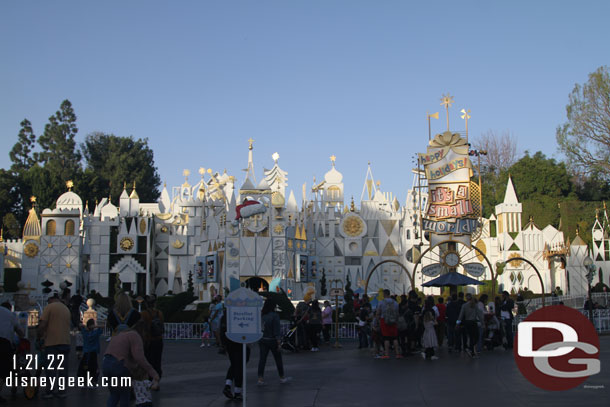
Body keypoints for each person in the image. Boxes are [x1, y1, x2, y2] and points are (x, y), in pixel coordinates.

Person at [103, 320, 160, 407]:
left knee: (114, 394)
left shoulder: (122, 334)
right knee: (124, 394)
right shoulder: (135, 335)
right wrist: (153, 373)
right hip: (119, 366)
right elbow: (139, 358)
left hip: (106, 364)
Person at [38, 293, 72, 398]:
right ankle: (62, 391)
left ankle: (50, 391)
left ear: (51, 299)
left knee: (51, 368)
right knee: (62, 368)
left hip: (52, 342)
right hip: (65, 341)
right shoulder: (66, 309)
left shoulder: (50, 307)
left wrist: (39, 336)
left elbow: (43, 324)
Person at [257, 299, 291, 386]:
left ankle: (260, 378)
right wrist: (279, 343)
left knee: (262, 359)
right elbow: (276, 330)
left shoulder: (261, 315)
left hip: (263, 339)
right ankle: (282, 377)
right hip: (272, 340)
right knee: (278, 359)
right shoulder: (274, 315)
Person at [221, 313, 250, 400]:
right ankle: (237, 391)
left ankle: (228, 385)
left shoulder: (225, 316)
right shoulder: (240, 314)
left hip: (229, 344)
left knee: (234, 365)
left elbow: (222, 331)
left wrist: (223, 345)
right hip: (239, 342)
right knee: (239, 367)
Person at [0, 301, 24, 402]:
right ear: (10, 308)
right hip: (3, 343)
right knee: (3, 370)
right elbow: (19, 330)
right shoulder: (10, 315)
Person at [140, 295, 164, 380]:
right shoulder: (159, 313)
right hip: (159, 340)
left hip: (148, 340)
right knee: (157, 361)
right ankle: (157, 379)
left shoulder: (144, 314)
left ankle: (150, 378)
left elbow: (142, 327)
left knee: (148, 360)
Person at [457, 293, 484, 358]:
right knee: (476, 336)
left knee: (471, 336)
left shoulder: (464, 306)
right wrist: (482, 322)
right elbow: (479, 315)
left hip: (467, 322)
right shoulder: (475, 305)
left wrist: (457, 323)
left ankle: (471, 350)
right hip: (473, 322)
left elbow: (461, 315)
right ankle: (470, 349)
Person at [377, 289, 402, 359]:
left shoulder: (381, 302)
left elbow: (378, 313)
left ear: (384, 294)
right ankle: (397, 354)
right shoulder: (395, 303)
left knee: (386, 338)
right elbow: (397, 313)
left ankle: (386, 354)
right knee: (395, 338)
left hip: (384, 320)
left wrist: (378, 320)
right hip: (393, 320)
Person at [77, 318, 103, 385]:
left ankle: (84, 379)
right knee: (94, 367)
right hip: (93, 352)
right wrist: (95, 326)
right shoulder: (96, 333)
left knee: (85, 365)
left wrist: (86, 326)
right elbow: (102, 326)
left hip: (86, 352)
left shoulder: (85, 332)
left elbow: (80, 325)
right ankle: (93, 380)